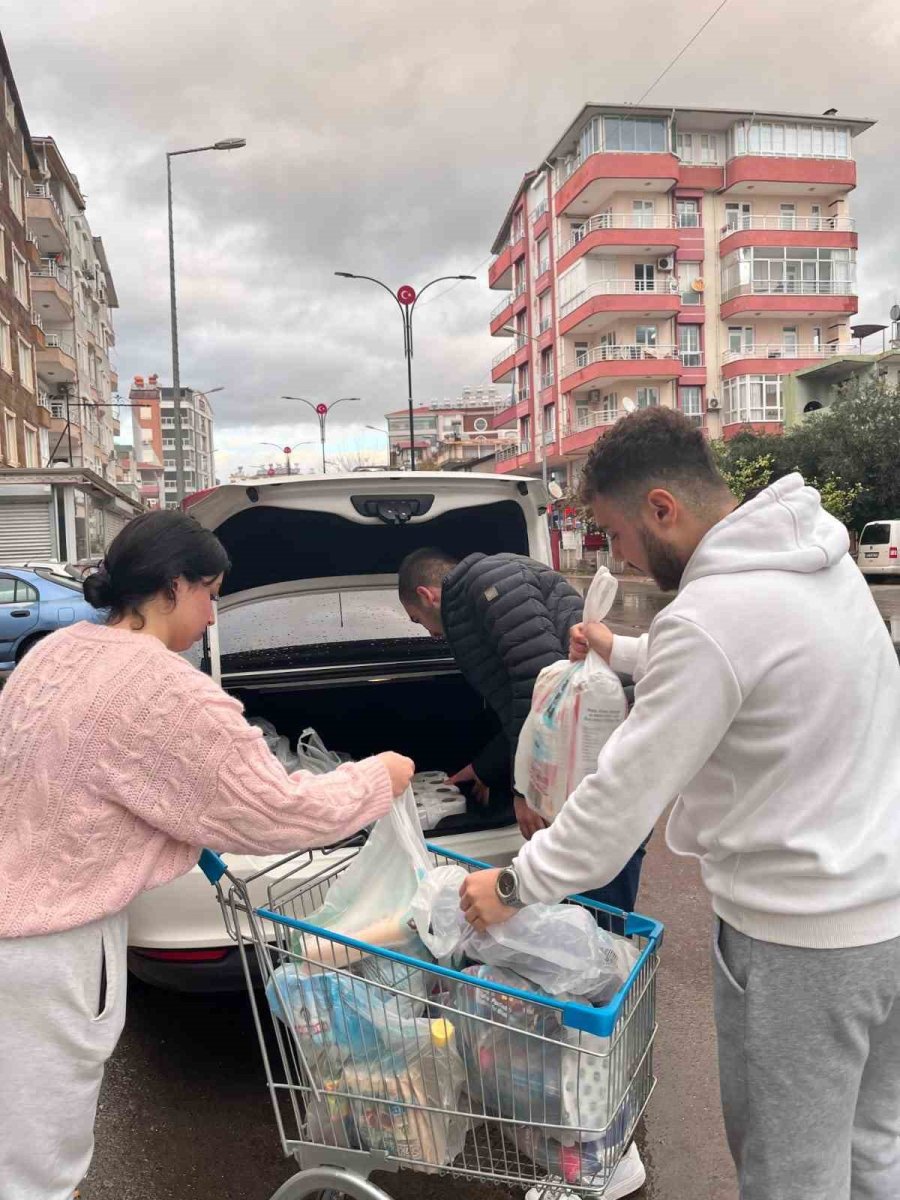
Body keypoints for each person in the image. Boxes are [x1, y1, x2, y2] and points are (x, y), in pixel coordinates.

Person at [459, 407, 900, 1200]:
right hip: (887, 915)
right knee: (873, 1151)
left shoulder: (709, 618)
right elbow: (749, 663)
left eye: (617, 535)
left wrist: (512, 885)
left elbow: (619, 801)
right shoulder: (812, 559)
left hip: (801, 940)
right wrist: (620, 648)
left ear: (662, 507)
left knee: (790, 1177)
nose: (615, 554)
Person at [0, 510, 414, 1200]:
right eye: (211, 594)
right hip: (54, 948)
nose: (214, 617)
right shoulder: (168, 689)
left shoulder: (55, 651)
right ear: (171, 587)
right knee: (39, 1170)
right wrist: (382, 777)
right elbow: (279, 811)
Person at [399, 547, 648, 1200]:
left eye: (426, 629)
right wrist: (483, 769)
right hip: (599, 785)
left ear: (429, 598)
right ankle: (592, 1120)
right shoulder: (503, 577)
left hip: (587, 789)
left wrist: (526, 787)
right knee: (583, 943)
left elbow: (540, 694)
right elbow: (529, 692)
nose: (436, 639)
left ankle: (595, 1146)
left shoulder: (477, 588)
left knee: (588, 948)